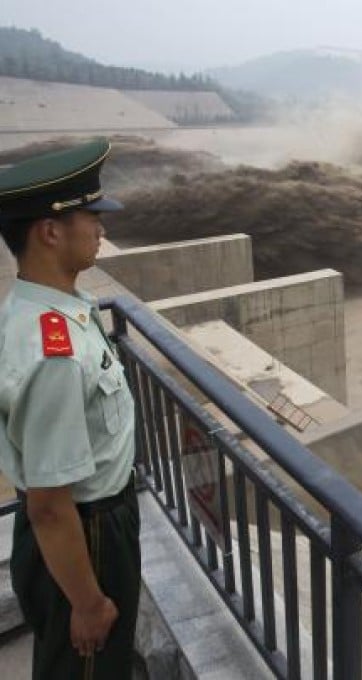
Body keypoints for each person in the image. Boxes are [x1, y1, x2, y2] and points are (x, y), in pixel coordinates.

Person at [0, 138, 138, 679]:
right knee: (87, 667)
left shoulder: (45, 306)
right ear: (50, 232)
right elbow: (50, 506)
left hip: (87, 528)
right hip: (87, 536)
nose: (101, 228)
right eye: (91, 216)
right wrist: (88, 602)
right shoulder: (53, 353)